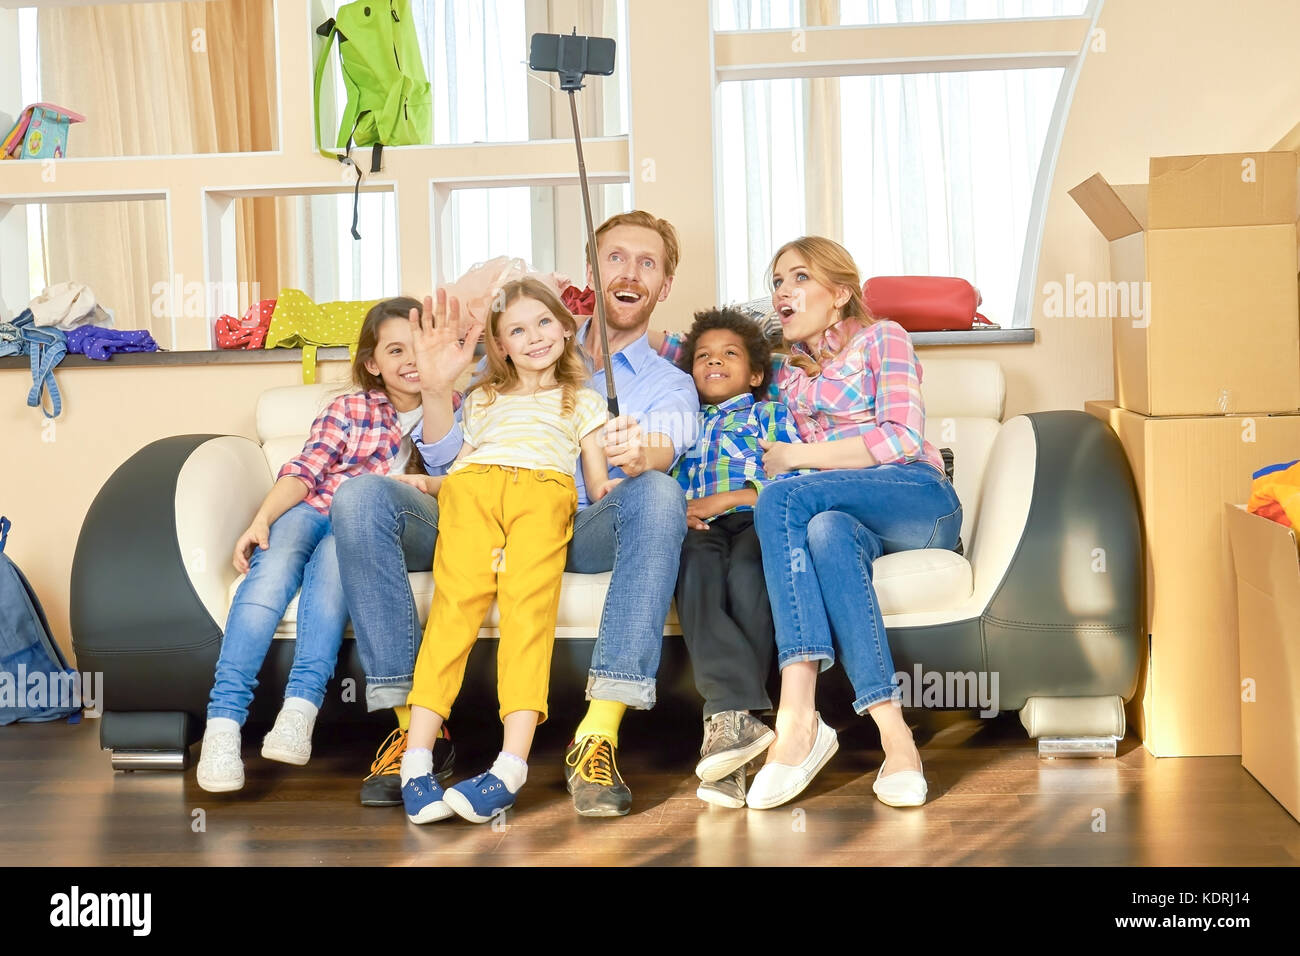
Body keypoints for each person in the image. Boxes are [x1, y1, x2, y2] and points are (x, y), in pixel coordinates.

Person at [331, 210, 700, 817]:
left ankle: (597, 732)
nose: (629, 271)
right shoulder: (502, 364)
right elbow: (451, 454)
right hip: (475, 502)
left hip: (574, 521)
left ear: (663, 285)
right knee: (360, 497)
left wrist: (641, 453)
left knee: (659, 492)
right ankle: (415, 734)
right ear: (590, 271)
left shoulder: (665, 383)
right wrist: (435, 386)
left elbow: (666, 440)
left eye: (647, 262)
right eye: (615, 257)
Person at [655, 236, 961, 810]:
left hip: (915, 500)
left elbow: (900, 437)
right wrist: (593, 315)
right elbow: (696, 349)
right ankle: (895, 738)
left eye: (798, 278)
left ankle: (798, 715)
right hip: (842, 514)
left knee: (781, 498)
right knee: (823, 532)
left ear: (841, 293)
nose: (782, 292)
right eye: (776, 282)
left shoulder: (882, 339)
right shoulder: (788, 373)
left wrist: (797, 459)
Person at [196, 297, 456, 793]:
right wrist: (262, 519)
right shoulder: (352, 407)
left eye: (419, 349)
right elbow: (306, 469)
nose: (410, 362)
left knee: (341, 557)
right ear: (372, 363)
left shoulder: (452, 410)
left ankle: (300, 709)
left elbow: (457, 484)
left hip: (358, 529)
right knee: (268, 575)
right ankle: (223, 725)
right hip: (312, 507)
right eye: (395, 350)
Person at [398, 279, 617, 824]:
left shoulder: (583, 401)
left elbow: (597, 485)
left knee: (527, 612)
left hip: (544, 494)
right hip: (472, 490)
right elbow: (460, 465)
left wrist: (633, 481)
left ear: (567, 328)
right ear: (501, 346)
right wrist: (435, 486)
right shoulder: (483, 398)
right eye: (516, 330)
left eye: (543, 322)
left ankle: (510, 765)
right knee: (455, 608)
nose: (534, 337)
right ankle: (416, 762)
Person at [669, 307, 803, 808]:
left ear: (755, 373)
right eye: (702, 356)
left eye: (730, 354)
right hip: (697, 526)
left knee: (750, 577)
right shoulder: (681, 422)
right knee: (695, 573)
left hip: (755, 515)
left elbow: (792, 478)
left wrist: (727, 499)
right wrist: (679, 511)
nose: (714, 362)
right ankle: (738, 725)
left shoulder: (771, 414)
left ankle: (732, 730)